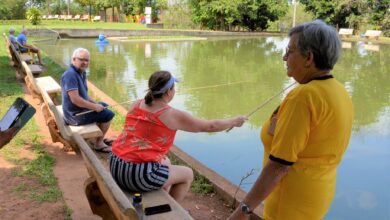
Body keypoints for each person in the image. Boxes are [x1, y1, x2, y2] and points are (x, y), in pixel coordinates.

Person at [228, 20, 353, 220]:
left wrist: (243, 211)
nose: (284, 57)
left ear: (309, 57)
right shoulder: (339, 91)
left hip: (290, 201)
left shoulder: (304, 97)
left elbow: (279, 166)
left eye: (290, 51)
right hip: (319, 194)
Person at [110, 70, 247, 202]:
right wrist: (234, 121)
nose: (174, 91)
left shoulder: (137, 103)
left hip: (116, 164)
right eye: (173, 88)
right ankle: (174, 213)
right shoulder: (171, 115)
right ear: (169, 92)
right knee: (188, 174)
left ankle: (164, 203)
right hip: (135, 176)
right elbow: (209, 126)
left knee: (166, 162)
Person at [61, 48, 115, 152]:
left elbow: (84, 95)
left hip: (77, 111)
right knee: (109, 115)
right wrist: (95, 107)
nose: (85, 62)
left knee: (104, 105)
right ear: (74, 59)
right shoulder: (70, 75)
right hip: (74, 116)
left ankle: (97, 138)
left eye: (87, 60)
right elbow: (76, 100)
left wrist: (96, 103)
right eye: (82, 59)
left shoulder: (81, 72)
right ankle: (98, 144)